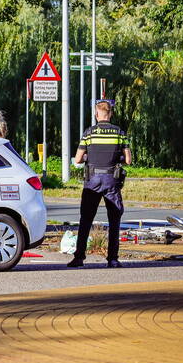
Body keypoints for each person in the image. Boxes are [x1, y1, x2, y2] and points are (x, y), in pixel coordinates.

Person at [68, 100, 133, 269]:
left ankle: (79, 257)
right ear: (110, 114)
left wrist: (89, 157)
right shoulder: (119, 133)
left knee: (86, 220)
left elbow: (77, 159)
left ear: (97, 115)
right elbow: (128, 160)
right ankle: (112, 259)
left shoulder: (89, 133)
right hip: (112, 180)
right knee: (114, 220)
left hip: (92, 181)